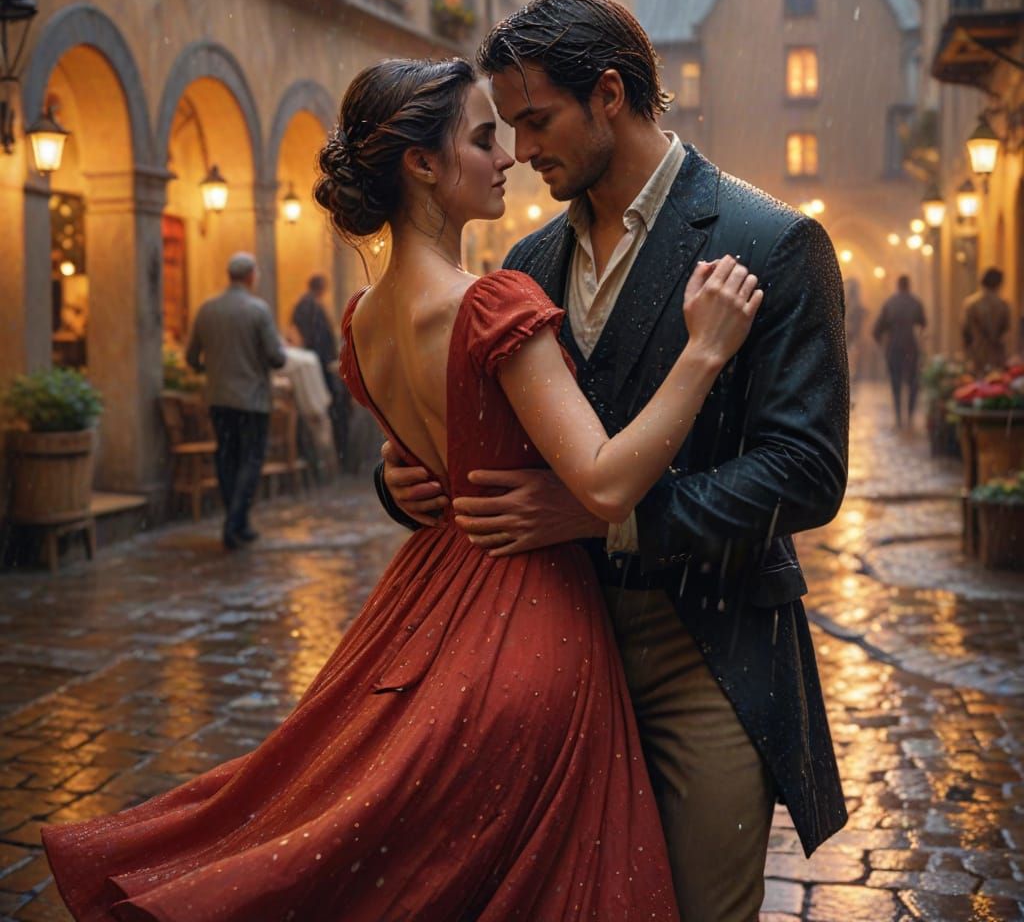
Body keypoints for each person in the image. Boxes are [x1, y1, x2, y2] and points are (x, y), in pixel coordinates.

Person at [42, 58, 761, 921]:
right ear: (423, 163)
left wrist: (404, 476)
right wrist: (704, 351)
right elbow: (605, 482)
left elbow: (426, 455)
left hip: (426, 600)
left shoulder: (363, 319)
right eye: (484, 136)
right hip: (527, 615)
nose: (509, 157)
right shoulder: (493, 302)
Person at [379, 0, 849, 921]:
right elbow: (490, 432)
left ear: (608, 94)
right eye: (503, 127)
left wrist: (614, 512)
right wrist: (405, 482)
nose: (517, 149)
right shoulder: (526, 261)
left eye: (536, 118)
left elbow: (805, 471)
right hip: (545, 648)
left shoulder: (773, 241)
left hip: (705, 649)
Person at [184, 252, 286, 550]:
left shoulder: (207, 310)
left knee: (227, 458)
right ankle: (234, 523)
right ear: (251, 276)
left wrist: (214, 371)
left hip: (218, 399)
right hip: (252, 400)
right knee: (251, 460)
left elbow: (191, 358)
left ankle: (237, 522)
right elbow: (277, 358)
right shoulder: (258, 310)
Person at [291, 273, 351, 467]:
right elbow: (320, 339)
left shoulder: (304, 305)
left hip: (318, 363)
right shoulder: (312, 307)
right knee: (332, 409)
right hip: (320, 366)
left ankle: (328, 457)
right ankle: (337, 457)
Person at [873, 273, 926, 428]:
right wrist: (920, 340)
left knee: (895, 382)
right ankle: (909, 416)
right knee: (913, 383)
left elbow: (877, 330)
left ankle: (898, 416)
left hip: (894, 347)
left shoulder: (890, 303)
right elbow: (923, 324)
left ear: (898, 285)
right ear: (909, 285)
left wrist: (883, 345)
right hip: (910, 346)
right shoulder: (915, 303)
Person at [962, 266, 1011, 373]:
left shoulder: (971, 304)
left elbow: (966, 332)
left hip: (977, 353)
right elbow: (1006, 330)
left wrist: (966, 354)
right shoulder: (1003, 305)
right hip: (997, 354)